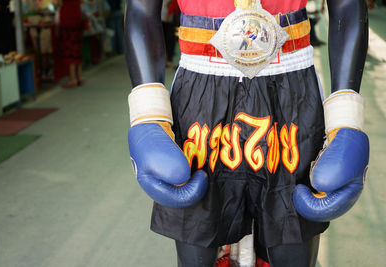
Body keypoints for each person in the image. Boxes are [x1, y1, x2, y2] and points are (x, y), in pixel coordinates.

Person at [124, 0, 369, 266]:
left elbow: (347, 5)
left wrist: (346, 121)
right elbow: (140, 9)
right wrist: (148, 116)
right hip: (201, 91)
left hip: (291, 87)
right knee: (197, 248)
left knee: (293, 246)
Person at [55, 0, 84, 88]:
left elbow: (58, 3)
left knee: (70, 50)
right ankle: (79, 77)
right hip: (77, 19)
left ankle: (73, 79)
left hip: (68, 20)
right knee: (77, 48)